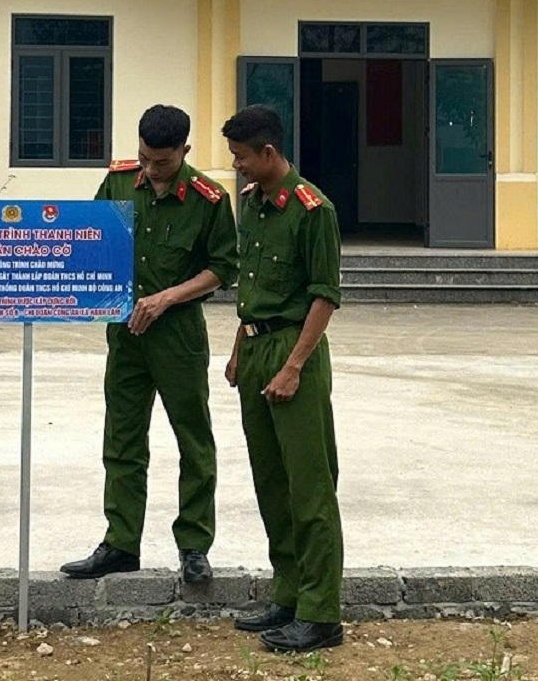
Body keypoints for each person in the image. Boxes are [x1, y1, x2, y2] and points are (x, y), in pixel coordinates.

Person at [60, 104, 238, 583]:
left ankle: (195, 545)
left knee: (193, 439)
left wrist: (167, 298)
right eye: (144, 158)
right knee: (122, 439)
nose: (151, 169)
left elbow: (223, 268)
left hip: (177, 335)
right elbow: (90, 240)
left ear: (184, 151)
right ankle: (120, 542)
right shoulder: (118, 183)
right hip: (124, 332)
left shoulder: (210, 199)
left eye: (162, 162)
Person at [222, 105, 344, 652]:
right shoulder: (251, 206)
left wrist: (294, 366)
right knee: (272, 482)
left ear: (268, 153)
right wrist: (236, 351)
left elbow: (325, 296)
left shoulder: (313, 209)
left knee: (310, 487)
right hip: (254, 347)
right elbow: (250, 285)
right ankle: (288, 593)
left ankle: (321, 614)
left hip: (295, 349)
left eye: (243, 158)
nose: (238, 167)